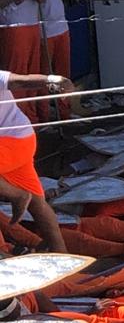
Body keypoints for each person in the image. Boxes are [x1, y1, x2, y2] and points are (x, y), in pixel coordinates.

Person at [0, 70, 71, 251]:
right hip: (23, 140)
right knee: (37, 202)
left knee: (29, 197)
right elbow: (20, 81)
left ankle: (17, 195)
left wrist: (51, 80)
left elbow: (20, 81)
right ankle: (61, 252)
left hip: (11, 142)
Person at [35, 0, 71, 121]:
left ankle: (65, 113)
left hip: (61, 26)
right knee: (45, 75)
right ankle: (45, 116)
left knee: (63, 73)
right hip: (44, 30)